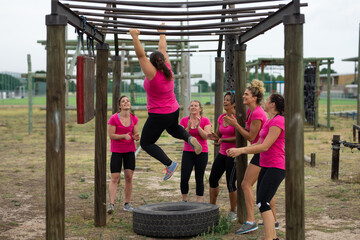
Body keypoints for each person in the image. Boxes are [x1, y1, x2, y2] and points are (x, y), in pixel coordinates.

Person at [129, 25, 202, 181]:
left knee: (146, 142)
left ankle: (169, 164)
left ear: (153, 63)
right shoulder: (167, 68)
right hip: (173, 111)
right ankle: (189, 138)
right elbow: (162, 47)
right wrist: (162, 31)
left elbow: (141, 56)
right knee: (173, 128)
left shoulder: (153, 74)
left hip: (158, 115)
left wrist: (135, 36)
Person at [227, 93, 285, 240]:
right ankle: (273, 237)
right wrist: (240, 150)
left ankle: (269, 237)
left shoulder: (279, 121)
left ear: (273, 105)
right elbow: (258, 143)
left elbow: (265, 146)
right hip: (266, 165)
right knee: (262, 202)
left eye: (268, 100)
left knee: (263, 201)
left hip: (276, 166)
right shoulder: (269, 121)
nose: (265, 102)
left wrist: (241, 150)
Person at [107, 96, 140, 214]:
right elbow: (111, 135)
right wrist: (123, 136)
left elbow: (135, 135)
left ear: (130, 105)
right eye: (123, 101)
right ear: (119, 106)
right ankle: (111, 204)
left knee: (129, 177)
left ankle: (127, 203)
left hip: (129, 151)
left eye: (128, 101)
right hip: (117, 151)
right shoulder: (114, 118)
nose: (126, 102)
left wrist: (136, 137)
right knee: (115, 178)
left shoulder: (134, 118)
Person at [208, 91, 237, 221]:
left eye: (228, 100)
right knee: (213, 179)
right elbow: (219, 135)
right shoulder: (221, 117)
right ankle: (212, 208)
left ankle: (233, 211)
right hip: (222, 153)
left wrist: (223, 140)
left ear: (234, 103)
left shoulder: (237, 118)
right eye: (224, 99)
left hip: (233, 154)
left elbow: (239, 137)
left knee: (231, 184)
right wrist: (215, 138)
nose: (225, 102)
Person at [179, 100, 211, 202]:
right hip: (188, 151)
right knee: (184, 177)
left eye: (196, 106)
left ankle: (199, 202)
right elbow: (182, 136)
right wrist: (188, 127)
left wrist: (198, 127)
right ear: (189, 108)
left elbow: (206, 136)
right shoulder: (184, 120)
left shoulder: (205, 120)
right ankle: (184, 200)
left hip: (202, 152)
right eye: (191, 106)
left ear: (200, 109)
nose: (193, 107)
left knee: (199, 177)